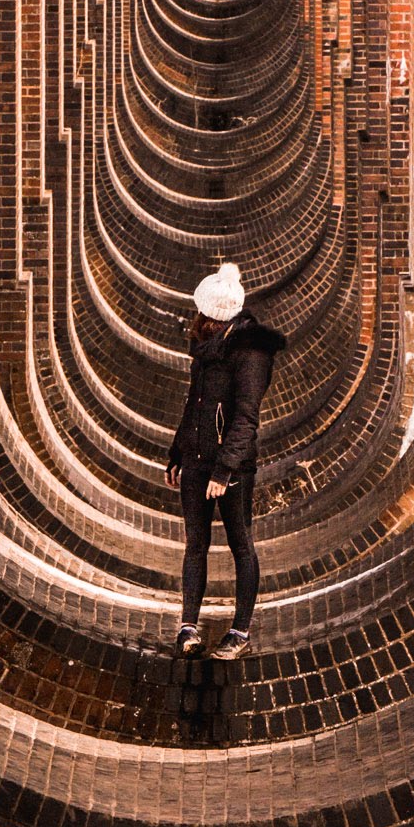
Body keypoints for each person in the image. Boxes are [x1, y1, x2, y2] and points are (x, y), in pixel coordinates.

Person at [165, 261, 286, 659]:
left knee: (240, 544)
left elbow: (245, 418)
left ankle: (240, 631)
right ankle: (188, 627)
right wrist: (177, 451)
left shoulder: (250, 353)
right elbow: (193, 402)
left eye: (203, 312)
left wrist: (224, 469)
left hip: (230, 468)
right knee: (195, 544)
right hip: (196, 460)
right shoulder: (203, 345)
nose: (198, 318)